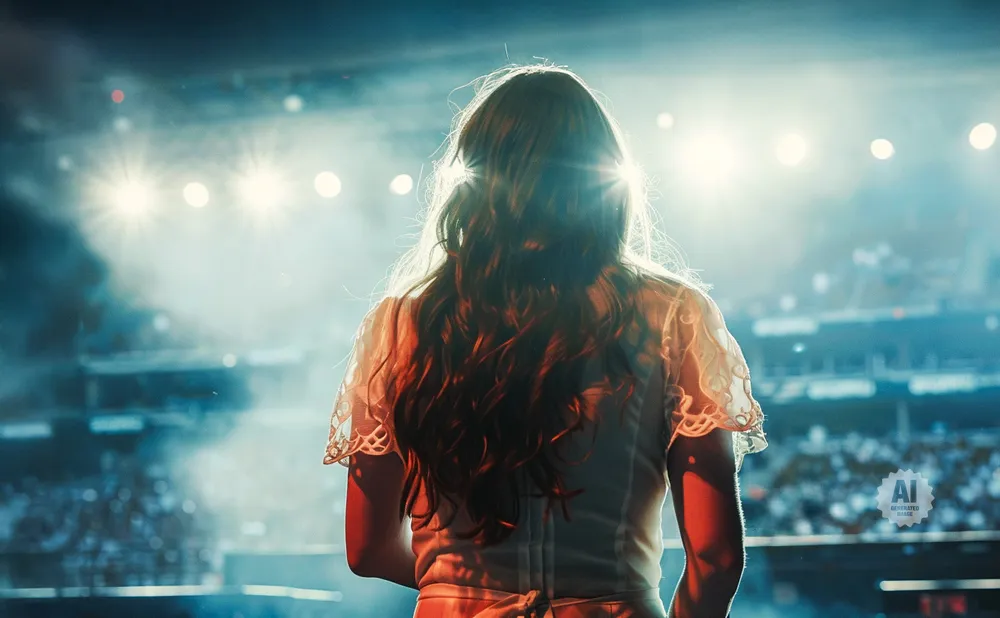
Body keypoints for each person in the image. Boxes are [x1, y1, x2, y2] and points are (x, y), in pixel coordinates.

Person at [323, 65, 767, 618]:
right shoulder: (674, 314)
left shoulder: (399, 326)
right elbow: (717, 555)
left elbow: (366, 549)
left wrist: (460, 584)